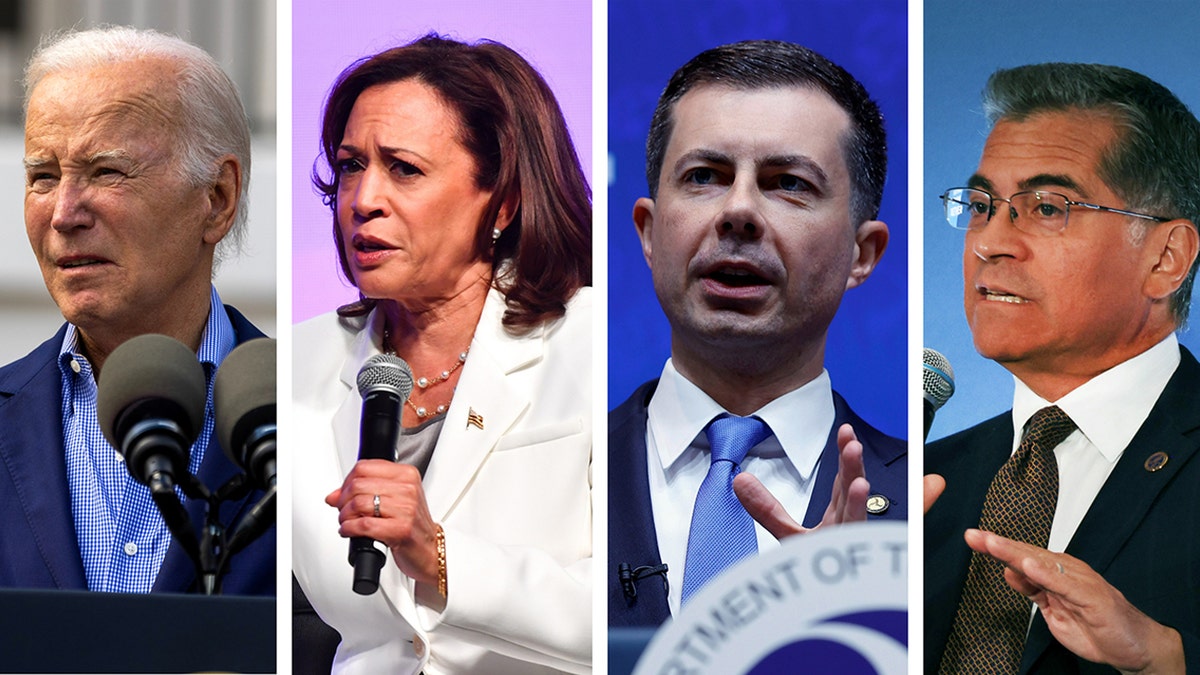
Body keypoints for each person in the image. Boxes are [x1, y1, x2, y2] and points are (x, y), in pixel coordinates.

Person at [291, 35, 592, 674]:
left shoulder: (592, 346)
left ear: (503, 201)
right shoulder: (290, 366)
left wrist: (442, 557)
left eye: (403, 168)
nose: (363, 200)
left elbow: (636, 606)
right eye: (350, 165)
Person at [607, 40, 907, 627]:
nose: (738, 211)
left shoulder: (922, 512)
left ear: (861, 253)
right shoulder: (569, 462)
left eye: (789, 183)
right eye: (704, 176)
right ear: (647, 232)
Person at [926, 63, 1200, 674]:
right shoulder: (919, 487)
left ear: (1164, 257)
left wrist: (1165, 662)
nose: (989, 242)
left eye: (1047, 208)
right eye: (980, 204)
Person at [0, 27, 273, 595]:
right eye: (42, 177)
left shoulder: (314, 417)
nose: (64, 214)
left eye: (106, 171)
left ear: (217, 199)